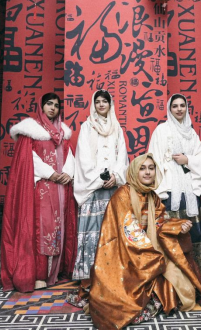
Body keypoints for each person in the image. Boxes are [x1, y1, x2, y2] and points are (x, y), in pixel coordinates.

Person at [76, 154, 201, 330]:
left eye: (151, 168)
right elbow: (128, 231)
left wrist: (178, 227)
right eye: (142, 168)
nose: (147, 172)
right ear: (134, 171)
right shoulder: (122, 194)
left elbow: (160, 222)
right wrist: (151, 255)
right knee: (126, 295)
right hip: (124, 254)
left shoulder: (152, 196)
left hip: (148, 249)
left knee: (184, 285)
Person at [0, 93, 77, 292]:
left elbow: (69, 155)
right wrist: (51, 173)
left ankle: (55, 272)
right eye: (49, 104)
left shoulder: (63, 132)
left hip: (61, 188)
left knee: (59, 227)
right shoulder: (31, 131)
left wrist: (67, 173)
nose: (53, 108)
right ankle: (39, 274)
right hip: (42, 187)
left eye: (56, 105)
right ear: (41, 107)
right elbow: (29, 159)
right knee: (42, 228)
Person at [148, 94, 201, 274]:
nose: (179, 109)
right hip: (169, 186)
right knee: (170, 227)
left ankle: (194, 266)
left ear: (186, 108)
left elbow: (200, 157)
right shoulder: (161, 130)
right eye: (175, 106)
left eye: (182, 105)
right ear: (170, 109)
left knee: (193, 227)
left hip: (189, 186)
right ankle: (171, 267)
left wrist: (187, 160)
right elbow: (154, 157)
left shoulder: (191, 132)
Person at [72, 90, 129, 283]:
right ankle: (90, 274)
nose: (101, 104)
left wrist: (116, 176)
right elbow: (83, 157)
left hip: (113, 187)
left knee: (112, 230)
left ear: (110, 104)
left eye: (105, 101)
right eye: (98, 101)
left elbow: (122, 155)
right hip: (93, 187)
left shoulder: (117, 127)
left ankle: (112, 272)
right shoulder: (87, 127)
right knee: (93, 230)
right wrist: (99, 179)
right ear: (93, 104)